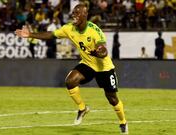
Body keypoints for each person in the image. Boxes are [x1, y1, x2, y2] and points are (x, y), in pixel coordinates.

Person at [15, 4, 128, 134]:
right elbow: (50, 35)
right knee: (70, 81)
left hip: (104, 67)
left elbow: (103, 51)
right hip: (88, 64)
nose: (74, 15)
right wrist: (30, 34)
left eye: (77, 13)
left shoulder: (95, 31)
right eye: (73, 13)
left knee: (112, 99)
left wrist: (98, 53)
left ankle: (123, 122)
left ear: (85, 15)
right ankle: (82, 108)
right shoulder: (69, 29)